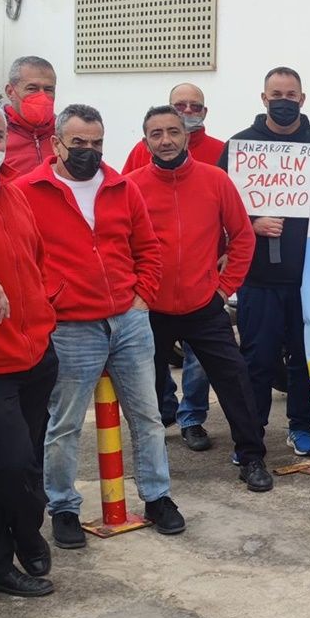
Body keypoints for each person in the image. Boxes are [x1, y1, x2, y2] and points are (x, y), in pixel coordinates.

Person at [14, 104, 184, 550]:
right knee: (65, 423)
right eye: (79, 143)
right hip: (71, 327)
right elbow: (20, 259)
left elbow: (148, 246)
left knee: (147, 416)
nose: (88, 152)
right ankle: (64, 507)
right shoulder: (26, 191)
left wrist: (141, 296)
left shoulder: (121, 186)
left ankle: (157, 496)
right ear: (56, 143)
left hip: (128, 321)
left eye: (96, 143)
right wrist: (50, 305)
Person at [128, 106, 273, 491]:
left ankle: (252, 457)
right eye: (156, 133)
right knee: (144, 390)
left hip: (203, 305)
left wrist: (225, 287)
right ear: (146, 141)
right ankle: (150, 468)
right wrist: (136, 292)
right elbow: (118, 245)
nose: (165, 140)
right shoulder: (131, 186)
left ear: (186, 135)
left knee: (235, 381)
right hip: (150, 310)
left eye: (172, 131)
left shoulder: (215, 180)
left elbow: (242, 236)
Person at [0, 98, 58, 597]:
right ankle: (27, 533)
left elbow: (34, 260)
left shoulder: (12, 193)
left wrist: (45, 314)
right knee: (11, 464)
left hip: (34, 353)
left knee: (0, 466)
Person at [218, 67, 310, 456]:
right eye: (276, 94)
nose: (283, 101)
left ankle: (301, 425)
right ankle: (252, 431)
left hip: (308, 278)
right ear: (263, 99)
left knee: (304, 357)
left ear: (302, 99)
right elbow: (218, 206)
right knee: (256, 360)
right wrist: (251, 222)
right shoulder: (240, 147)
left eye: (291, 95)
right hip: (258, 277)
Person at [122, 83, 225, 452]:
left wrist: (224, 276)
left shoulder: (221, 153)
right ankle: (162, 410)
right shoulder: (141, 152)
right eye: (180, 105)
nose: (188, 110)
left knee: (200, 360)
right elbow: (124, 206)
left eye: (195, 105)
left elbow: (233, 209)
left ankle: (192, 417)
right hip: (152, 287)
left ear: (203, 112)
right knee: (153, 360)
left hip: (202, 279)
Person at [2, 56, 57, 176]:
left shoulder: (63, 133)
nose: (42, 96)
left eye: (48, 89)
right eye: (32, 88)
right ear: (10, 92)